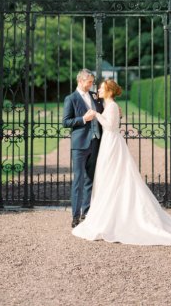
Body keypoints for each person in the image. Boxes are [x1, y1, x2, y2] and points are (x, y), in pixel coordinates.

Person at [72, 79, 171, 246]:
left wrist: (96, 115)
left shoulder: (112, 106)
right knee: (108, 177)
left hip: (112, 143)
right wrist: (98, 112)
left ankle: (118, 217)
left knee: (115, 176)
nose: (98, 89)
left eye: (101, 87)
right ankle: (109, 214)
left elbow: (110, 126)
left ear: (109, 90)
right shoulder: (108, 106)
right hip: (108, 144)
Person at [62, 69, 104, 229]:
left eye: (92, 82)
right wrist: (83, 119)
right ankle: (75, 216)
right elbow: (66, 122)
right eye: (89, 82)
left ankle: (87, 213)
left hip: (95, 142)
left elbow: (104, 112)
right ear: (81, 81)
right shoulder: (71, 99)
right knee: (78, 180)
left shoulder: (95, 95)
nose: (92, 84)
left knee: (90, 180)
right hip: (79, 146)